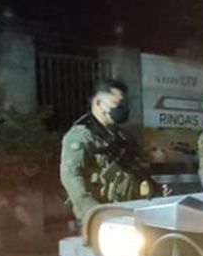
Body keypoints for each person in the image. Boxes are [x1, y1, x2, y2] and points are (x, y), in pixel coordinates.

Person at [60, 79, 162, 222]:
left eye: (124, 105)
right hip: (100, 217)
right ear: (99, 104)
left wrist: (153, 188)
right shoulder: (81, 136)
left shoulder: (122, 137)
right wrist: (92, 212)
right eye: (117, 104)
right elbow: (71, 176)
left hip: (127, 212)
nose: (122, 109)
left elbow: (136, 170)